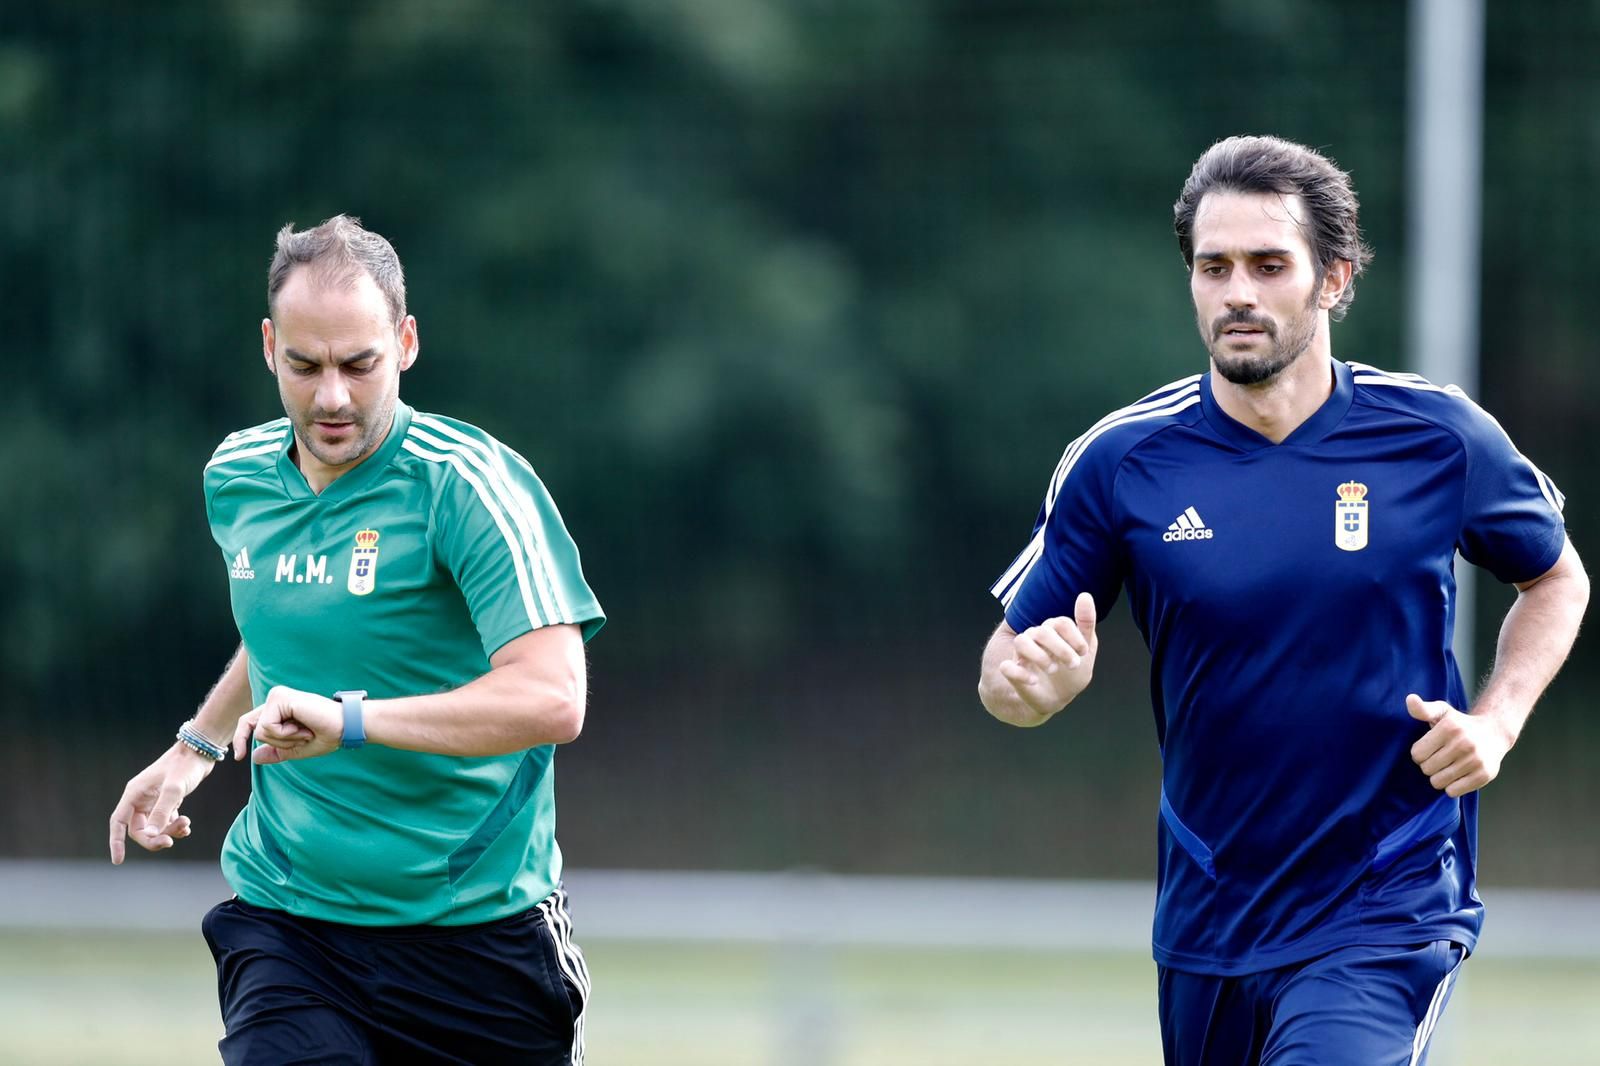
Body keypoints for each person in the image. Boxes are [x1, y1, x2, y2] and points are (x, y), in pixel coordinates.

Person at [978, 136, 1589, 1065]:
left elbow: (1556, 576)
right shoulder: (1120, 462)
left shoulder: (1436, 436)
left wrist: (1497, 723)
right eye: (1213, 267)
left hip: (1388, 899)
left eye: (1270, 265)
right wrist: (1030, 691)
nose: (1239, 294)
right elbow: (1005, 669)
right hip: (1211, 910)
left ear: (1334, 279)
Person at [109, 215, 605, 1065]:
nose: (331, 397)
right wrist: (195, 747)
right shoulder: (235, 478)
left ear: (405, 344)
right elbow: (282, 623)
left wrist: (351, 721)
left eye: (358, 364)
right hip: (293, 927)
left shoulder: (468, 486)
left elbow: (554, 698)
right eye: (305, 365)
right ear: (270, 347)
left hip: (477, 943)